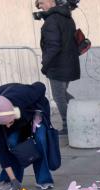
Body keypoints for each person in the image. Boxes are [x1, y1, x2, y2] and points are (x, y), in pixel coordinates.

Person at [0, 82, 58, 190]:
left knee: (40, 140)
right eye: (4, 124)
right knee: (12, 142)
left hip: (32, 113)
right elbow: (0, 150)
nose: (7, 126)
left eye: (9, 122)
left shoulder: (24, 94)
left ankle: (43, 179)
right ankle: (11, 179)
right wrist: (13, 179)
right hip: (16, 119)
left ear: (15, 114)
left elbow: (41, 86)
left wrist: (38, 114)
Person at [36, 0, 81, 135]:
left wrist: (45, 64)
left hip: (58, 65)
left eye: (41, 3)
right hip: (68, 63)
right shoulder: (67, 17)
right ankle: (79, 113)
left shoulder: (51, 20)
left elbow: (53, 46)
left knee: (59, 96)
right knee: (63, 93)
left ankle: (69, 125)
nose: (40, 7)